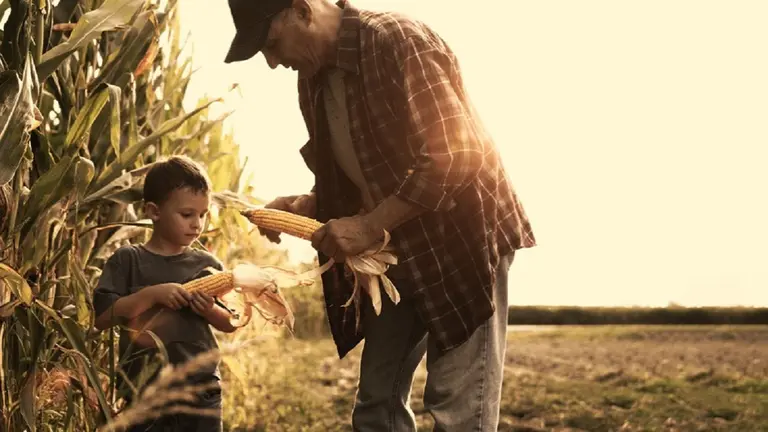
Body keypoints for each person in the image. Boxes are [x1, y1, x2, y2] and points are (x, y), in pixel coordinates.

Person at [224, 0, 537, 430]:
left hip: (462, 239)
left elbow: (457, 156)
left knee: (456, 403)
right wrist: (307, 205)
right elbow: (357, 174)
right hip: (394, 249)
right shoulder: (311, 78)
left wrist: (370, 225)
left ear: (302, 10)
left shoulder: (397, 40)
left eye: (272, 44)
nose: (273, 62)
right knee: (377, 398)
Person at [92, 155, 237, 432]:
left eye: (203, 215)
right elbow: (102, 318)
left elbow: (230, 322)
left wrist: (208, 310)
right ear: (154, 211)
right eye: (187, 215)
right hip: (143, 395)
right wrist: (153, 295)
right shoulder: (127, 261)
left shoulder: (208, 265)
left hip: (201, 392)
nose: (197, 224)